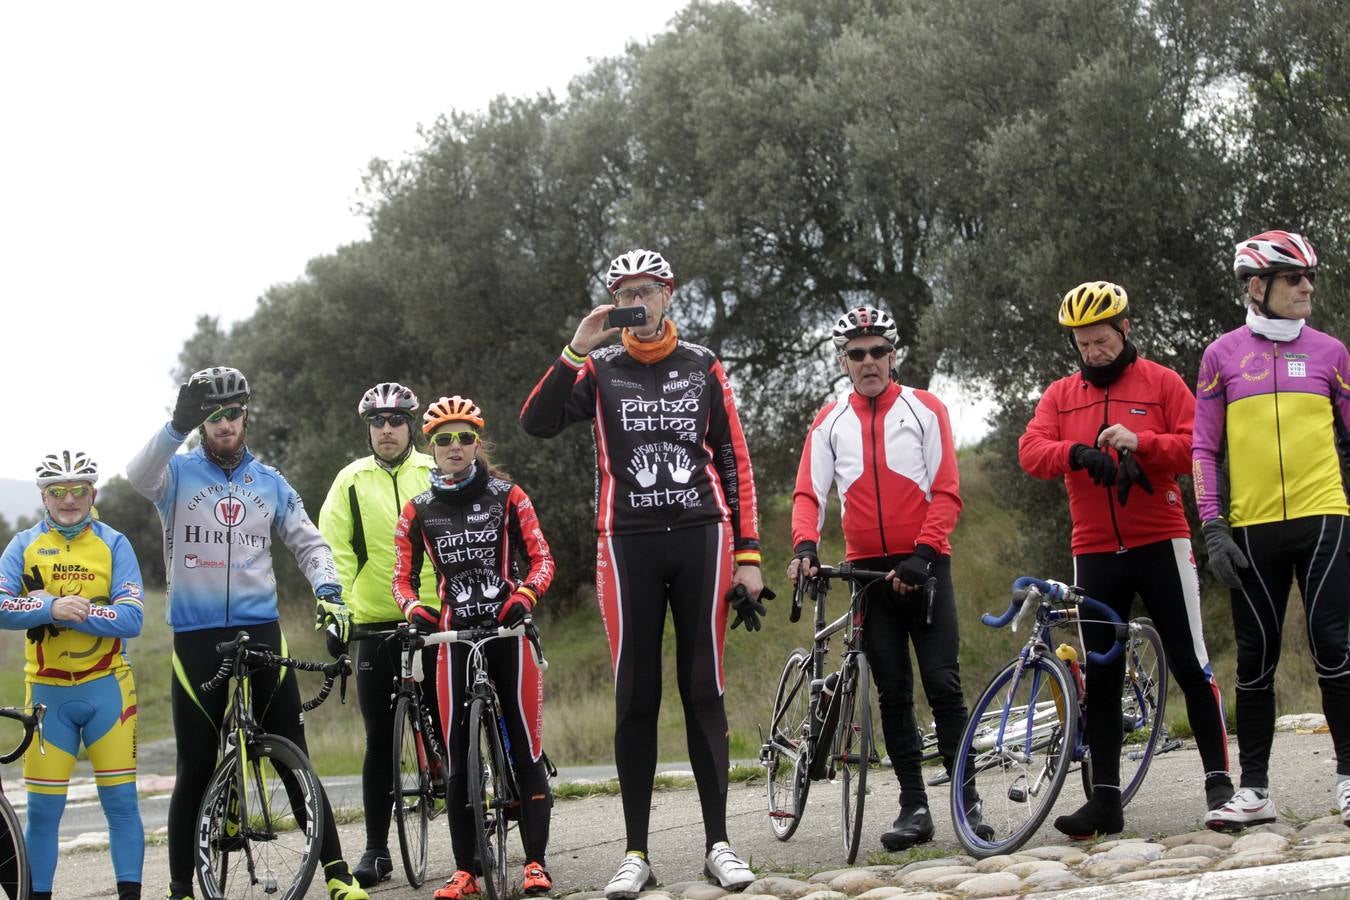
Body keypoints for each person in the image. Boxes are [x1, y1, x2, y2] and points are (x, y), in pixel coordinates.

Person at [520, 249, 765, 897]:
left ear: (670, 295)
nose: (641, 302)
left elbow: (734, 460)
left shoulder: (704, 364)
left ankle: (719, 843)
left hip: (701, 538)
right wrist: (576, 348)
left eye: (649, 291)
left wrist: (749, 557)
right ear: (614, 301)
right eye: (627, 292)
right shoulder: (599, 368)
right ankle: (635, 852)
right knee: (635, 694)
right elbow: (536, 423)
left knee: (703, 686)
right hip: (625, 542)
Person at [126, 366, 370, 900]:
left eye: (233, 413)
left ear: (246, 415)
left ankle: (335, 871)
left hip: (260, 631)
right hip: (196, 636)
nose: (224, 423)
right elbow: (136, 476)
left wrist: (330, 594)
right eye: (212, 415)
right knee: (196, 762)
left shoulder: (270, 482)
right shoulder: (177, 475)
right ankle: (181, 887)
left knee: (291, 753)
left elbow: (310, 544)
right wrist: (174, 426)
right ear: (202, 422)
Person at [1019, 281, 1233, 838]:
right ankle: (1106, 801)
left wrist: (1143, 443)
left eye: (1101, 341)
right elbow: (1031, 451)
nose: (1093, 353)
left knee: (1189, 661)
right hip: (1093, 550)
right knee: (1104, 673)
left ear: (1125, 329)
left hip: (1161, 539)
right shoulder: (1061, 395)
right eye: (1083, 344)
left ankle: (1221, 786)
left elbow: (1197, 445)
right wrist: (1078, 453)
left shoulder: (1161, 382)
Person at [789, 306, 989, 851]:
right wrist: (805, 544)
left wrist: (924, 554)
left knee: (943, 685)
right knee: (893, 692)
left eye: (878, 351)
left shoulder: (924, 408)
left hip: (925, 567)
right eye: (857, 354)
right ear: (843, 362)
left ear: (893, 355)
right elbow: (810, 493)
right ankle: (913, 806)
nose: (869, 361)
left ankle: (967, 800)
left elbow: (946, 489)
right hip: (868, 575)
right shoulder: (829, 421)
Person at [1193, 231, 1350, 831]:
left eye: (1309, 275)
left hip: (1324, 520)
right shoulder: (1221, 356)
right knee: (1255, 662)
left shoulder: (1333, 352)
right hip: (1251, 529)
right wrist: (1212, 527)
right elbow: (1204, 448)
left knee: (1335, 650)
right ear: (1257, 288)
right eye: (1293, 278)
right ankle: (1254, 793)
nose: (1306, 286)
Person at [391, 396, 555, 899]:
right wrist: (412, 609)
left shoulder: (509, 495)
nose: (455, 446)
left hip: (507, 634)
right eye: (444, 439)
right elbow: (400, 578)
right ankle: (466, 868)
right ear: (431, 448)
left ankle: (535, 862)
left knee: (526, 748)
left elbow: (542, 557)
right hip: (453, 637)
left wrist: (524, 596)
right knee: (460, 759)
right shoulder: (418, 508)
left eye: (464, 437)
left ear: (477, 443)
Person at [0, 451, 145, 900]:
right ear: (43, 496)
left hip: (109, 691)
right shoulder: (22, 545)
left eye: (78, 489)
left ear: (93, 494)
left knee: (120, 805)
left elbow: (132, 618)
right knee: (43, 812)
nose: (69, 499)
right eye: (57, 491)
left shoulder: (113, 543)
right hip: (47, 698)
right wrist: (45, 606)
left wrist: (68, 611)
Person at [318, 382, 444, 888]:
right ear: (368, 428)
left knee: (449, 719)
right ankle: (375, 849)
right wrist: (335, 615)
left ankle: (471, 826)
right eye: (377, 422)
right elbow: (334, 553)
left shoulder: (434, 469)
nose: (386, 429)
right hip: (373, 620)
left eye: (395, 421)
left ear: (411, 426)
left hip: (437, 614)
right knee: (378, 737)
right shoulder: (349, 480)